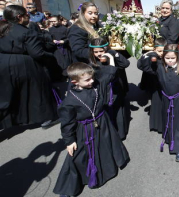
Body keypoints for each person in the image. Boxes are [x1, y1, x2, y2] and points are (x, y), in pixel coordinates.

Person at [53, 62, 129, 196]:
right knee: (79, 155)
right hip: (84, 128)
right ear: (75, 82)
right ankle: (70, 186)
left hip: (102, 121)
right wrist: (69, 140)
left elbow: (110, 73)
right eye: (87, 80)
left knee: (105, 146)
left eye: (92, 77)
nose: (92, 81)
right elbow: (67, 123)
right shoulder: (70, 100)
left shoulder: (96, 85)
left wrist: (110, 59)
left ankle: (107, 170)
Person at [0, 5, 56, 129]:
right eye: (26, 15)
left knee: (6, 95)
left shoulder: (3, 29)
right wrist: (50, 56)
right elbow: (37, 53)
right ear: (19, 17)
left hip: (2, 63)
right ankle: (46, 117)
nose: (28, 17)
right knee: (38, 90)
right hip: (24, 64)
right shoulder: (26, 31)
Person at [138, 44, 179, 162]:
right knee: (167, 119)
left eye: (173, 58)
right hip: (166, 99)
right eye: (167, 58)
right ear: (163, 57)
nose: (170, 61)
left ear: (178, 57)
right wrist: (150, 54)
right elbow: (143, 67)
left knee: (178, 125)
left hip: (178, 101)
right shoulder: (159, 68)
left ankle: (178, 149)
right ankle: (169, 139)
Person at [88, 37, 130, 140]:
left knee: (118, 112)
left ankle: (120, 134)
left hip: (115, 90)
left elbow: (125, 63)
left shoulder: (112, 56)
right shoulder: (93, 63)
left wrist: (112, 54)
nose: (98, 54)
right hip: (103, 91)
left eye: (101, 51)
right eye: (96, 52)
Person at [137, 38, 166, 132]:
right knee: (156, 102)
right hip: (155, 83)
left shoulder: (166, 57)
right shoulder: (153, 57)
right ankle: (157, 125)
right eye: (159, 51)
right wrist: (145, 56)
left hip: (163, 84)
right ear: (154, 49)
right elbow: (142, 67)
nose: (161, 53)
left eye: (163, 51)